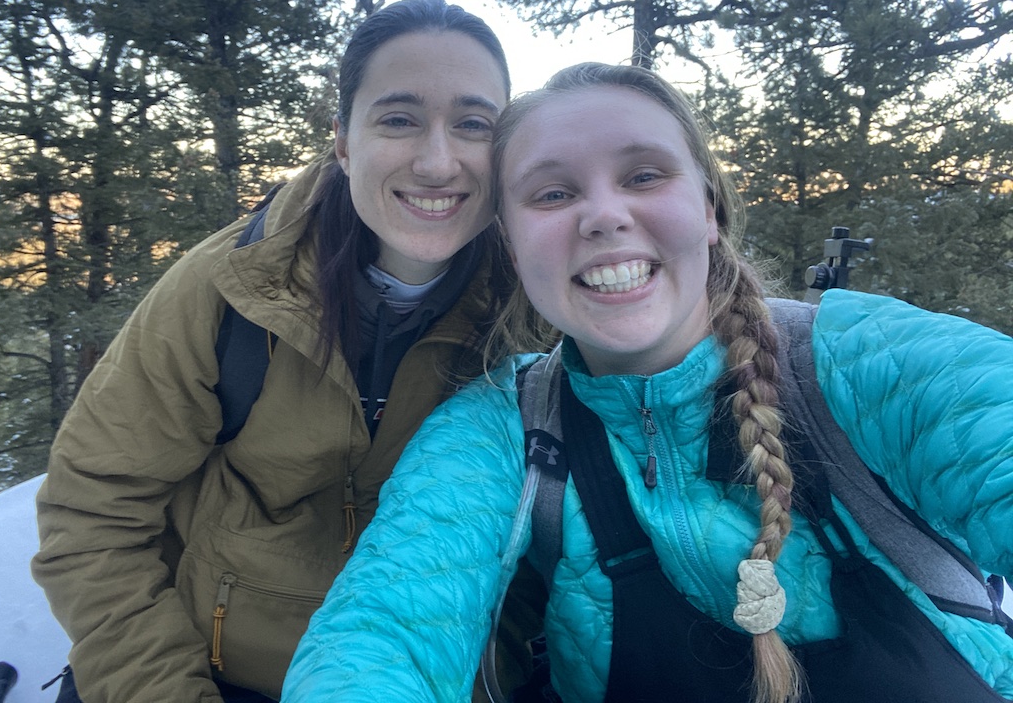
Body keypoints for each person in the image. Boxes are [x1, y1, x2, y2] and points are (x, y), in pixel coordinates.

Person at [280, 62, 1013, 703]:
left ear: (709, 207)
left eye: (643, 176)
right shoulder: (502, 432)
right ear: (508, 239)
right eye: (552, 193)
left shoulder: (864, 361)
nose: (603, 215)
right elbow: (386, 630)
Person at [32, 0, 519, 703]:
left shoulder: (533, 312)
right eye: (399, 119)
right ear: (344, 141)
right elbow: (93, 514)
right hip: (221, 677)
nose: (439, 161)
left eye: (474, 124)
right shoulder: (227, 292)